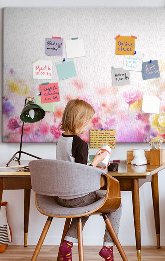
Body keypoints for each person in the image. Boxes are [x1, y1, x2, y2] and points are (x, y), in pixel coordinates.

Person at [56, 99, 122, 261]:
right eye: (87, 121)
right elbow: (83, 175)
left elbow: (73, 166)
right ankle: (108, 247)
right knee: (116, 204)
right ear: (79, 121)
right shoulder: (80, 144)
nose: (88, 125)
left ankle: (68, 243)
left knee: (85, 204)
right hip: (76, 198)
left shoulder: (61, 140)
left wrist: (89, 164)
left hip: (61, 197)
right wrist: (95, 163)